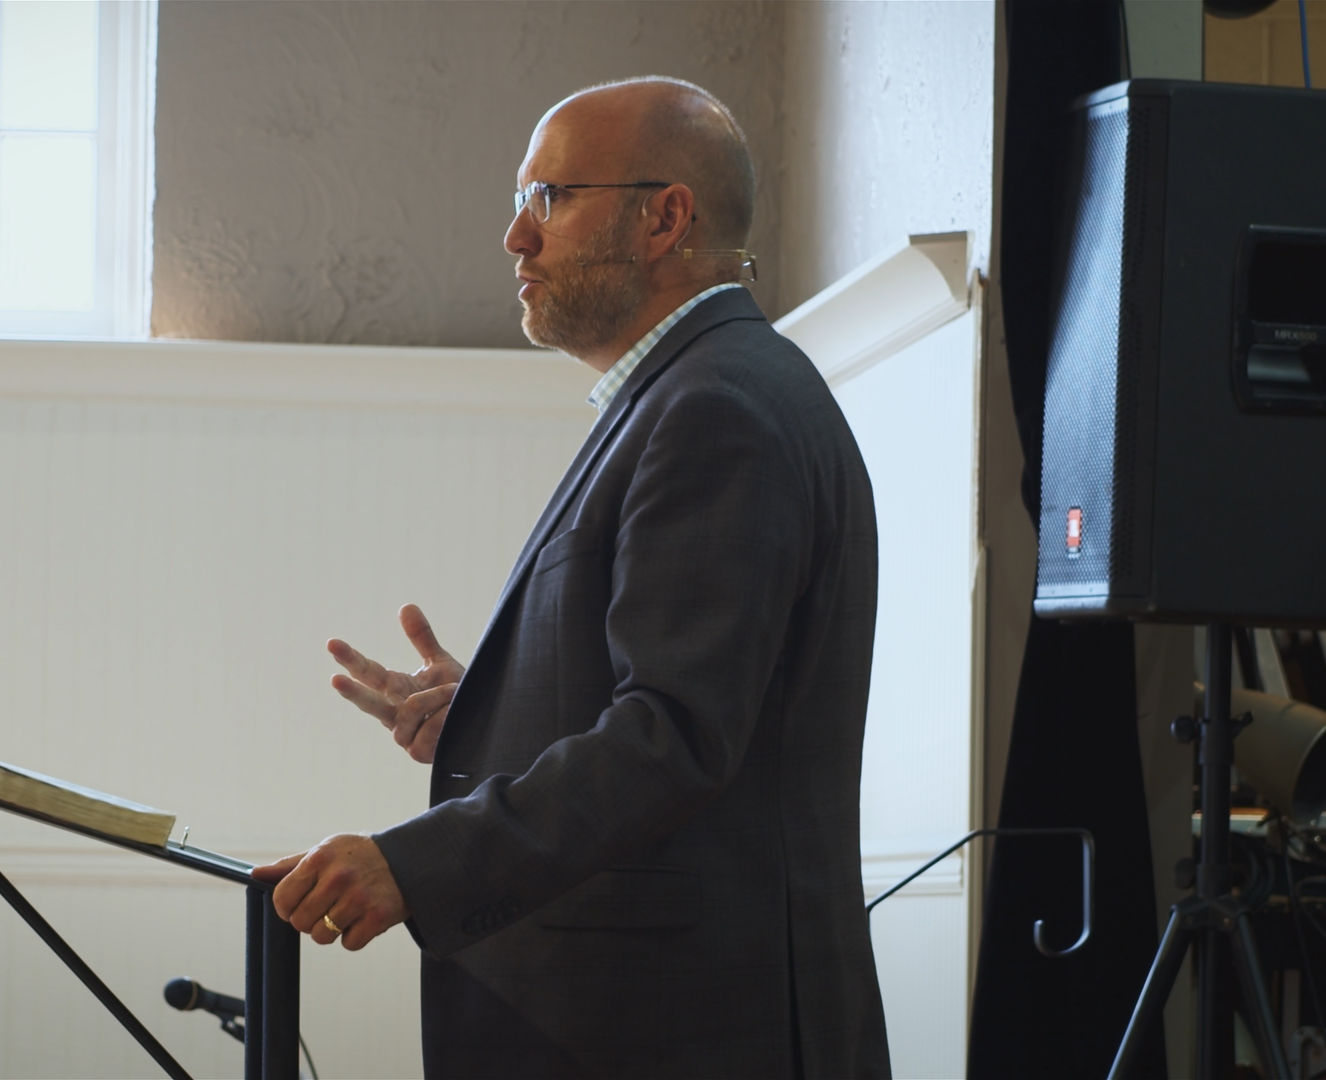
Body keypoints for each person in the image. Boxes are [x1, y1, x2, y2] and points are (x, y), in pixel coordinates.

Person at [253, 76, 890, 1078]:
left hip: (681, 1035)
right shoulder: (702, 392)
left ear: (664, 218)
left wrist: (410, 865)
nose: (516, 237)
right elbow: (693, 702)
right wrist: (486, 713)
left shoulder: (715, 408)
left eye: (549, 198)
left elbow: (674, 736)